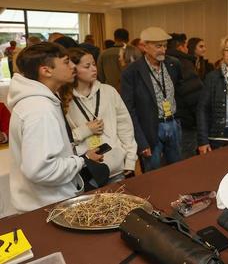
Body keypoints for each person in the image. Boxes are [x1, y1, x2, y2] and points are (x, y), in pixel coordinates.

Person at [7, 42, 103, 212]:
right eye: (66, 62)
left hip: (44, 202)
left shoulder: (41, 101)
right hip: (47, 206)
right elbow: (40, 170)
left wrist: (81, 156)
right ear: (46, 71)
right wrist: (81, 161)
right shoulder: (40, 110)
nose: (73, 66)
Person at [60, 48, 137, 184]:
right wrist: (85, 131)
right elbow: (62, 140)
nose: (94, 69)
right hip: (87, 170)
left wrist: (130, 160)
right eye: (87, 66)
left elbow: (125, 126)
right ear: (74, 69)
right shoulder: (64, 98)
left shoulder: (109, 91)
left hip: (116, 167)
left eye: (94, 64)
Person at [121, 27, 183, 171]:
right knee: (153, 173)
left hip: (173, 124)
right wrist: (141, 141)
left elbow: (179, 91)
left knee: (178, 170)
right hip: (150, 129)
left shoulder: (173, 64)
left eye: (165, 46)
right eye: (158, 46)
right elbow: (129, 110)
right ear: (144, 46)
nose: (163, 50)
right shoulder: (131, 72)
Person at [166, 33, 203, 158]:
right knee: (186, 158)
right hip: (186, 122)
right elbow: (194, 96)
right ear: (181, 47)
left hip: (170, 120)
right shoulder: (183, 64)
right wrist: (200, 121)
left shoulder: (163, 63)